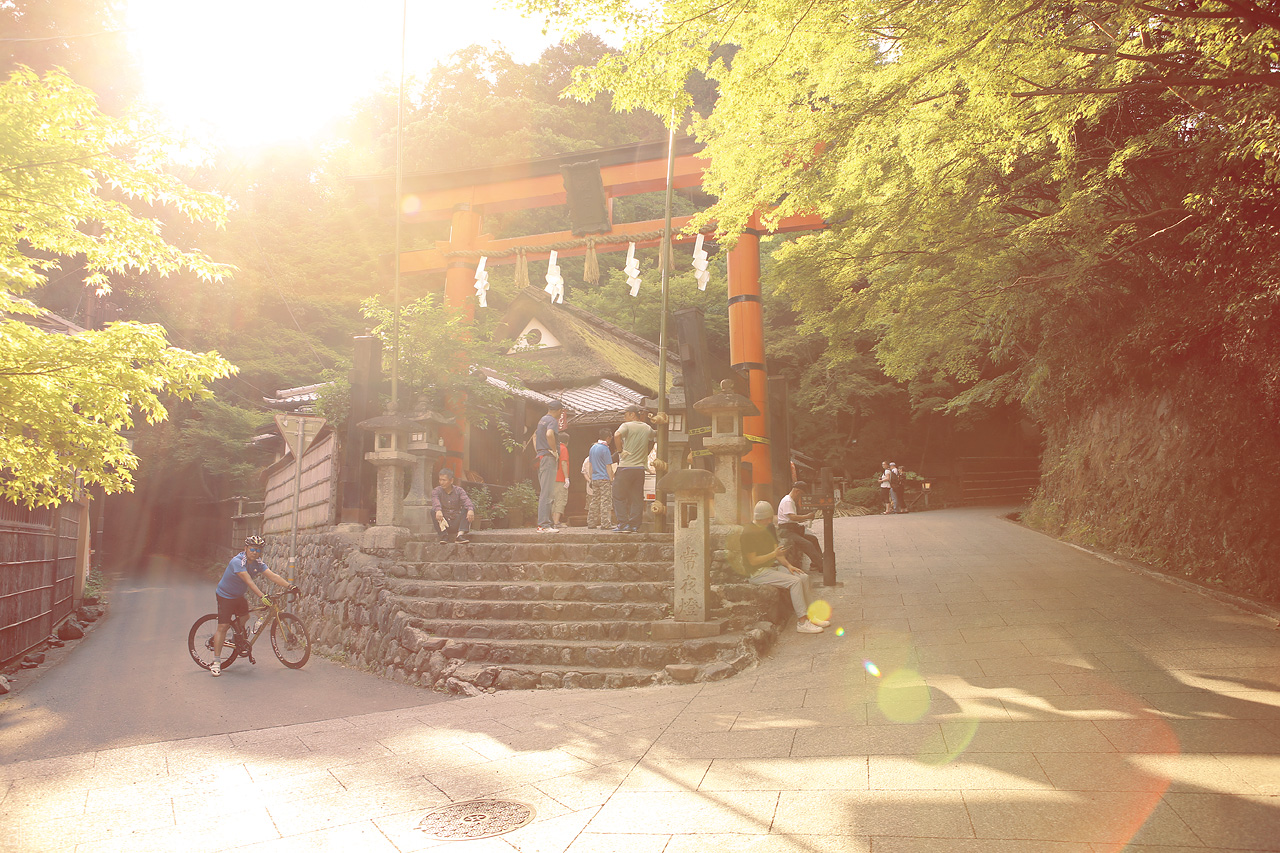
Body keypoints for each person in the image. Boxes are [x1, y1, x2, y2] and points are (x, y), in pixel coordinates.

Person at [209, 535, 296, 676]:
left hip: (238, 596)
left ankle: (236, 637)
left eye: (258, 550)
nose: (255, 552)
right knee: (223, 626)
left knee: (245, 617)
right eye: (252, 549)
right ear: (246, 549)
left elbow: (273, 576)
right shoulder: (237, 562)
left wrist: (290, 586)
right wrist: (262, 596)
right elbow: (249, 581)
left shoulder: (258, 563)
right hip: (225, 596)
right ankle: (216, 661)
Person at [741, 501, 830, 634]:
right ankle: (802, 622)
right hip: (757, 573)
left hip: (773, 567)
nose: (770, 521)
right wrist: (773, 554)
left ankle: (812, 616)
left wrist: (789, 566)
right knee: (795, 582)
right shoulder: (748, 532)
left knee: (803, 577)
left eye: (771, 518)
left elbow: (777, 552)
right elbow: (753, 561)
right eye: (768, 518)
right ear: (759, 518)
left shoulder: (769, 527)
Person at [612, 404, 654, 533]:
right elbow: (652, 439)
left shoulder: (626, 426)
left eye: (625, 414)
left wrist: (620, 451)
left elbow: (616, 435)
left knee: (619, 496)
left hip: (625, 467)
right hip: (639, 469)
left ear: (632, 414)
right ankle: (635, 525)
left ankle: (623, 524)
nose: (624, 417)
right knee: (637, 498)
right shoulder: (647, 428)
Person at [777, 480, 825, 572]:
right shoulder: (788, 501)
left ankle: (815, 563)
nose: (801, 496)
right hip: (786, 531)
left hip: (792, 529)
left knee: (813, 539)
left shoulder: (790, 501)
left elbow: (793, 519)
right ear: (797, 491)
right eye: (801, 494)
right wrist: (807, 516)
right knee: (808, 544)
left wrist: (806, 518)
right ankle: (822, 566)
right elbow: (793, 517)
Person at [534, 399, 562, 533]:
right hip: (548, 458)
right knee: (547, 492)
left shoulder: (541, 420)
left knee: (545, 491)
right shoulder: (552, 421)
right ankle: (543, 525)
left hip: (541, 456)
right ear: (559, 411)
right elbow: (549, 434)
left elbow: (535, 436)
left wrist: (539, 450)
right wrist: (554, 451)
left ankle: (547, 523)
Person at [431, 468, 475, 544]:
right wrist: (438, 510)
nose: (441, 482)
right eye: (440, 480)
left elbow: (467, 501)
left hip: (456, 522)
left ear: (451, 480)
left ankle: (460, 536)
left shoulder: (459, 491)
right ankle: (444, 536)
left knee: (467, 508)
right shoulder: (436, 491)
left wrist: (470, 510)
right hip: (444, 523)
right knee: (433, 511)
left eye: (444, 480)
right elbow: (435, 502)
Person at [585, 428, 615, 529]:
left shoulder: (593, 448)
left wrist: (591, 477)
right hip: (604, 478)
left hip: (595, 478)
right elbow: (608, 466)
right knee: (605, 501)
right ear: (608, 438)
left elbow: (590, 464)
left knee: (594, 500)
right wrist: (611, 479)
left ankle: (591, 522)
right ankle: (605, 523)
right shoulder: (605, 449)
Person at [552, 432, 571, 528]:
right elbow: (563, 463)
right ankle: (556, 522)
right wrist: (566, 477)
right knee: (561, 499)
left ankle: (553, 520)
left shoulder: (554, 448)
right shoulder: (563, 448)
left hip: (552, 477)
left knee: (554, 499)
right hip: (560, 478)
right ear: (567, 442)